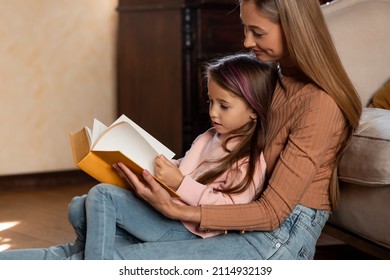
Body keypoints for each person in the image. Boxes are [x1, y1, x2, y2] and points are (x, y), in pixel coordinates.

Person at [0, 0, 362, 260]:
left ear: (294, 28)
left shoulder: (320, 104)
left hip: (277, 238)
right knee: (81, 240)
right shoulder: (275, 80)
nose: (247, 42)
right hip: (234, 220)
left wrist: (179, 210)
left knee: (103, 258)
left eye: (257, 31)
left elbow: (271, 213)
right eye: (245, 29)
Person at [0, 53, 278, 260]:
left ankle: (95, 266)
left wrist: (181, 183)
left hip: (188, 231)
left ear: (254, 109)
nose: (213, 112)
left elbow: (232, 209)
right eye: (210, 102)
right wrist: (153, 166)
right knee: (79, 207)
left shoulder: (251, 159)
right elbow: (186, 168)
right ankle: (90, 257)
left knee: (102, 196)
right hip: (166, 215)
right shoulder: (209, 137)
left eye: (224, 105)